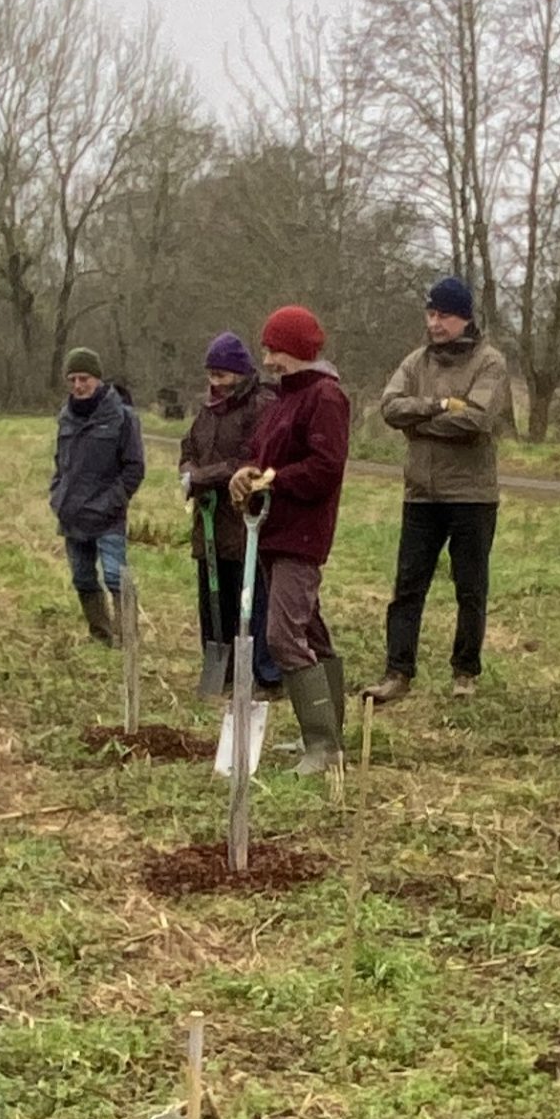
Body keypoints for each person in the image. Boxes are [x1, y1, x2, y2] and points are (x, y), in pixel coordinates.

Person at [370, 276, 510, 703]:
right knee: (408, 587)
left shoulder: (490, 363)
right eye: (430, 314)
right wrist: (435, 407)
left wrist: (419, 424)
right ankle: (398, 672)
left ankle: (464, 673)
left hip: (472, 495)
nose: (435, 323)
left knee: (470, 589)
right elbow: (389, 407)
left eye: (444, 315)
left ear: (464, 317)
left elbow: (477, 420)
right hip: (421, 494)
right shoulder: (415, 362)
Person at [230, 307, 352, 773]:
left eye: (275, 349)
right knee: (311, 632)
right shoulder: (283, 399)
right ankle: (325, 735)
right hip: (274, 532)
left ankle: (323, 746)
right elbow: (261, 457)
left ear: (299, 350)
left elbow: (326, 467)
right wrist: (247, 474)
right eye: (266, 349)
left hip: (302, 535)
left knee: (283, 637)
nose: (268, 359)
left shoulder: (325, 398)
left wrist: (273, 481)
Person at [178, 331, 281, 693]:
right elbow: (188, 447)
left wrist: (203, 477)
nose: (215, 383)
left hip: (245, 520)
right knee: (212, 597)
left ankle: (260, 672)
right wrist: (189, 471)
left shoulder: (262, 405)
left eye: (221, 376)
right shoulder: (206, 411)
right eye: (211, 375)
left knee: (250, 598)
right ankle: (218, 668)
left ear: (239, 373)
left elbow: (251, 460)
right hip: (208, 521)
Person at [49, 346, 145, 644]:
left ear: (98, 379)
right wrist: (57, 495)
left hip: (107, 516)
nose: (78, 386)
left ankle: (127, 639)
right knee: (82, 578)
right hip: (72, 515)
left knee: (116, 577)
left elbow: (134, 468)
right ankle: (101, 635)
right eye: (73, 379)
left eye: (85, 378)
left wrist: (111, 502)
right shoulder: (65, 417)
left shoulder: (122, 417)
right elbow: (59, 463)